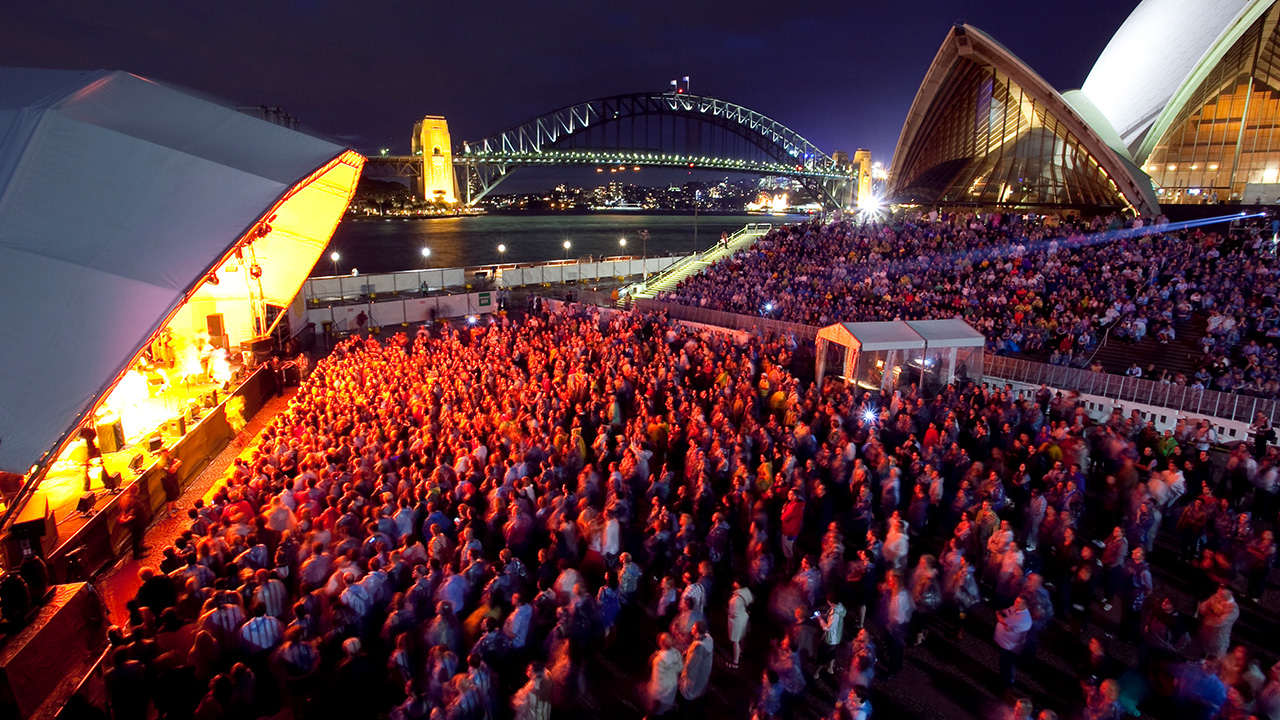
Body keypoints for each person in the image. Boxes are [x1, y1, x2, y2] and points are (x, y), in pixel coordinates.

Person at [995, 596, 1032, 689]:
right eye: (1016, 600)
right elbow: (1006, 612)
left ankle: (1006, 685)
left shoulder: (1022, 618)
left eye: (1019, 602)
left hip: (1010, 647)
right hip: (1005, 643)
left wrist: (998, 614)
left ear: (1025, 605)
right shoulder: (1015, 608)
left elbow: (1003, 620)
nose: (1016, 603)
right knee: (1003, 664)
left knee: (1007, 665)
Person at [678, 622, 713, 714]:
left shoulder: (697, 647)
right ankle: (700, 711)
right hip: (704, 673)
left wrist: (685, 658)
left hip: (695, 677)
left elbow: (691, 665)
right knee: (701, 693)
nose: (691, 629)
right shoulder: (708, 639)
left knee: (688, 696)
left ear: (697, 631)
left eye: (693, 628)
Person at [1197, 586, 1240, 659]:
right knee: (1204, 649)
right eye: (1220, 587)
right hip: (1207, 632)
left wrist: (1209, 614)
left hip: (1219, 637)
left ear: (1231, 592)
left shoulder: (1233, 609)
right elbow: (1202, 607)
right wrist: (1212, 614)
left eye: (1223, 589)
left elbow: (1219, 622)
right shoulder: (1216, 597)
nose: (1220, 590)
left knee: (1214, 656)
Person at [646, 632, 682, 718]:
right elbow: (680, 667)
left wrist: (653, 694)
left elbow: (658, 683)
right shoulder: (676, 653)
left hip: (661, 695)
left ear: (661, 644)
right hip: (672, 690)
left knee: (657, 713)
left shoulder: (658, 661)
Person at [727, 578, 753, 669]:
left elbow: (734, 613)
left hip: (737, 621)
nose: (733, 583)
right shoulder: (747, 591)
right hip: (744, 617)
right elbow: (750, 601)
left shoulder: (736, 599)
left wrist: (729, 613)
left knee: (736, 641)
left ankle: (735, 662)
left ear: (738, 584)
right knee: (743, 636)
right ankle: (741, 652)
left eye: (735, 582)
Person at [158, 447, 183, 518]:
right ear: (162, 453)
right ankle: (169, 511)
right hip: (167, 481)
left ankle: (174, 506)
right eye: (166, 452)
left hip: (173, 479)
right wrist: (175, 465)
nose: (167, 453)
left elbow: (179, 462)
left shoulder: (168, 458)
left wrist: (176, 464)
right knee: (170, 496)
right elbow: (171, 470)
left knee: (176, 492)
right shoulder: (162, 462)